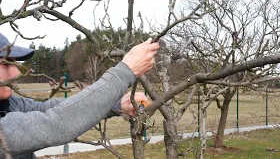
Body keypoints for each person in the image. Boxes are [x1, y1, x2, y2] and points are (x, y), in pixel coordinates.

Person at [0, 33, 160, 159]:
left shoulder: (9, 105)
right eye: (5, 63)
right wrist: (125, 72)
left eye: (14, 64)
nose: (16, 73)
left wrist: (116, 104)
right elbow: (55, 123)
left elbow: (53, 108)